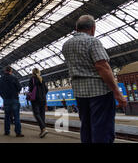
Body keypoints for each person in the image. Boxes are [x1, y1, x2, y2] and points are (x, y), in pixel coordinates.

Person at [62, 15, 127, 143]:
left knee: (86, 127)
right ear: (93, 28)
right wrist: (117, 92)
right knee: (102, 129)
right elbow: (103, 67)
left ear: (76, 28)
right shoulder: (92, 41)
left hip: (80, 94)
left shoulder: (66, 45)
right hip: (99, 93)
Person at [0, 66, 24, 137]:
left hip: (6, 100)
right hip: (14, 99)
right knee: (16, 116)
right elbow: (19, 87)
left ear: (4, 71)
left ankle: (7, 131)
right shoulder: (14, 78)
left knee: (7, 116)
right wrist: (16, 92)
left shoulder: (1, 79)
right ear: (11, 71)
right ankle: (18, 133)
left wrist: (3, 96)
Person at [28, 68, 49, 138]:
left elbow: (30, 90)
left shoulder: (32, 79)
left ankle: (43, 128)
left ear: (33, 73)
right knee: (42, 115)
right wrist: (42, 94)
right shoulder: (42, 79)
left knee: (36, 114)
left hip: (35, 100)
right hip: (43, 100)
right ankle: (42, 131)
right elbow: (46, 90)